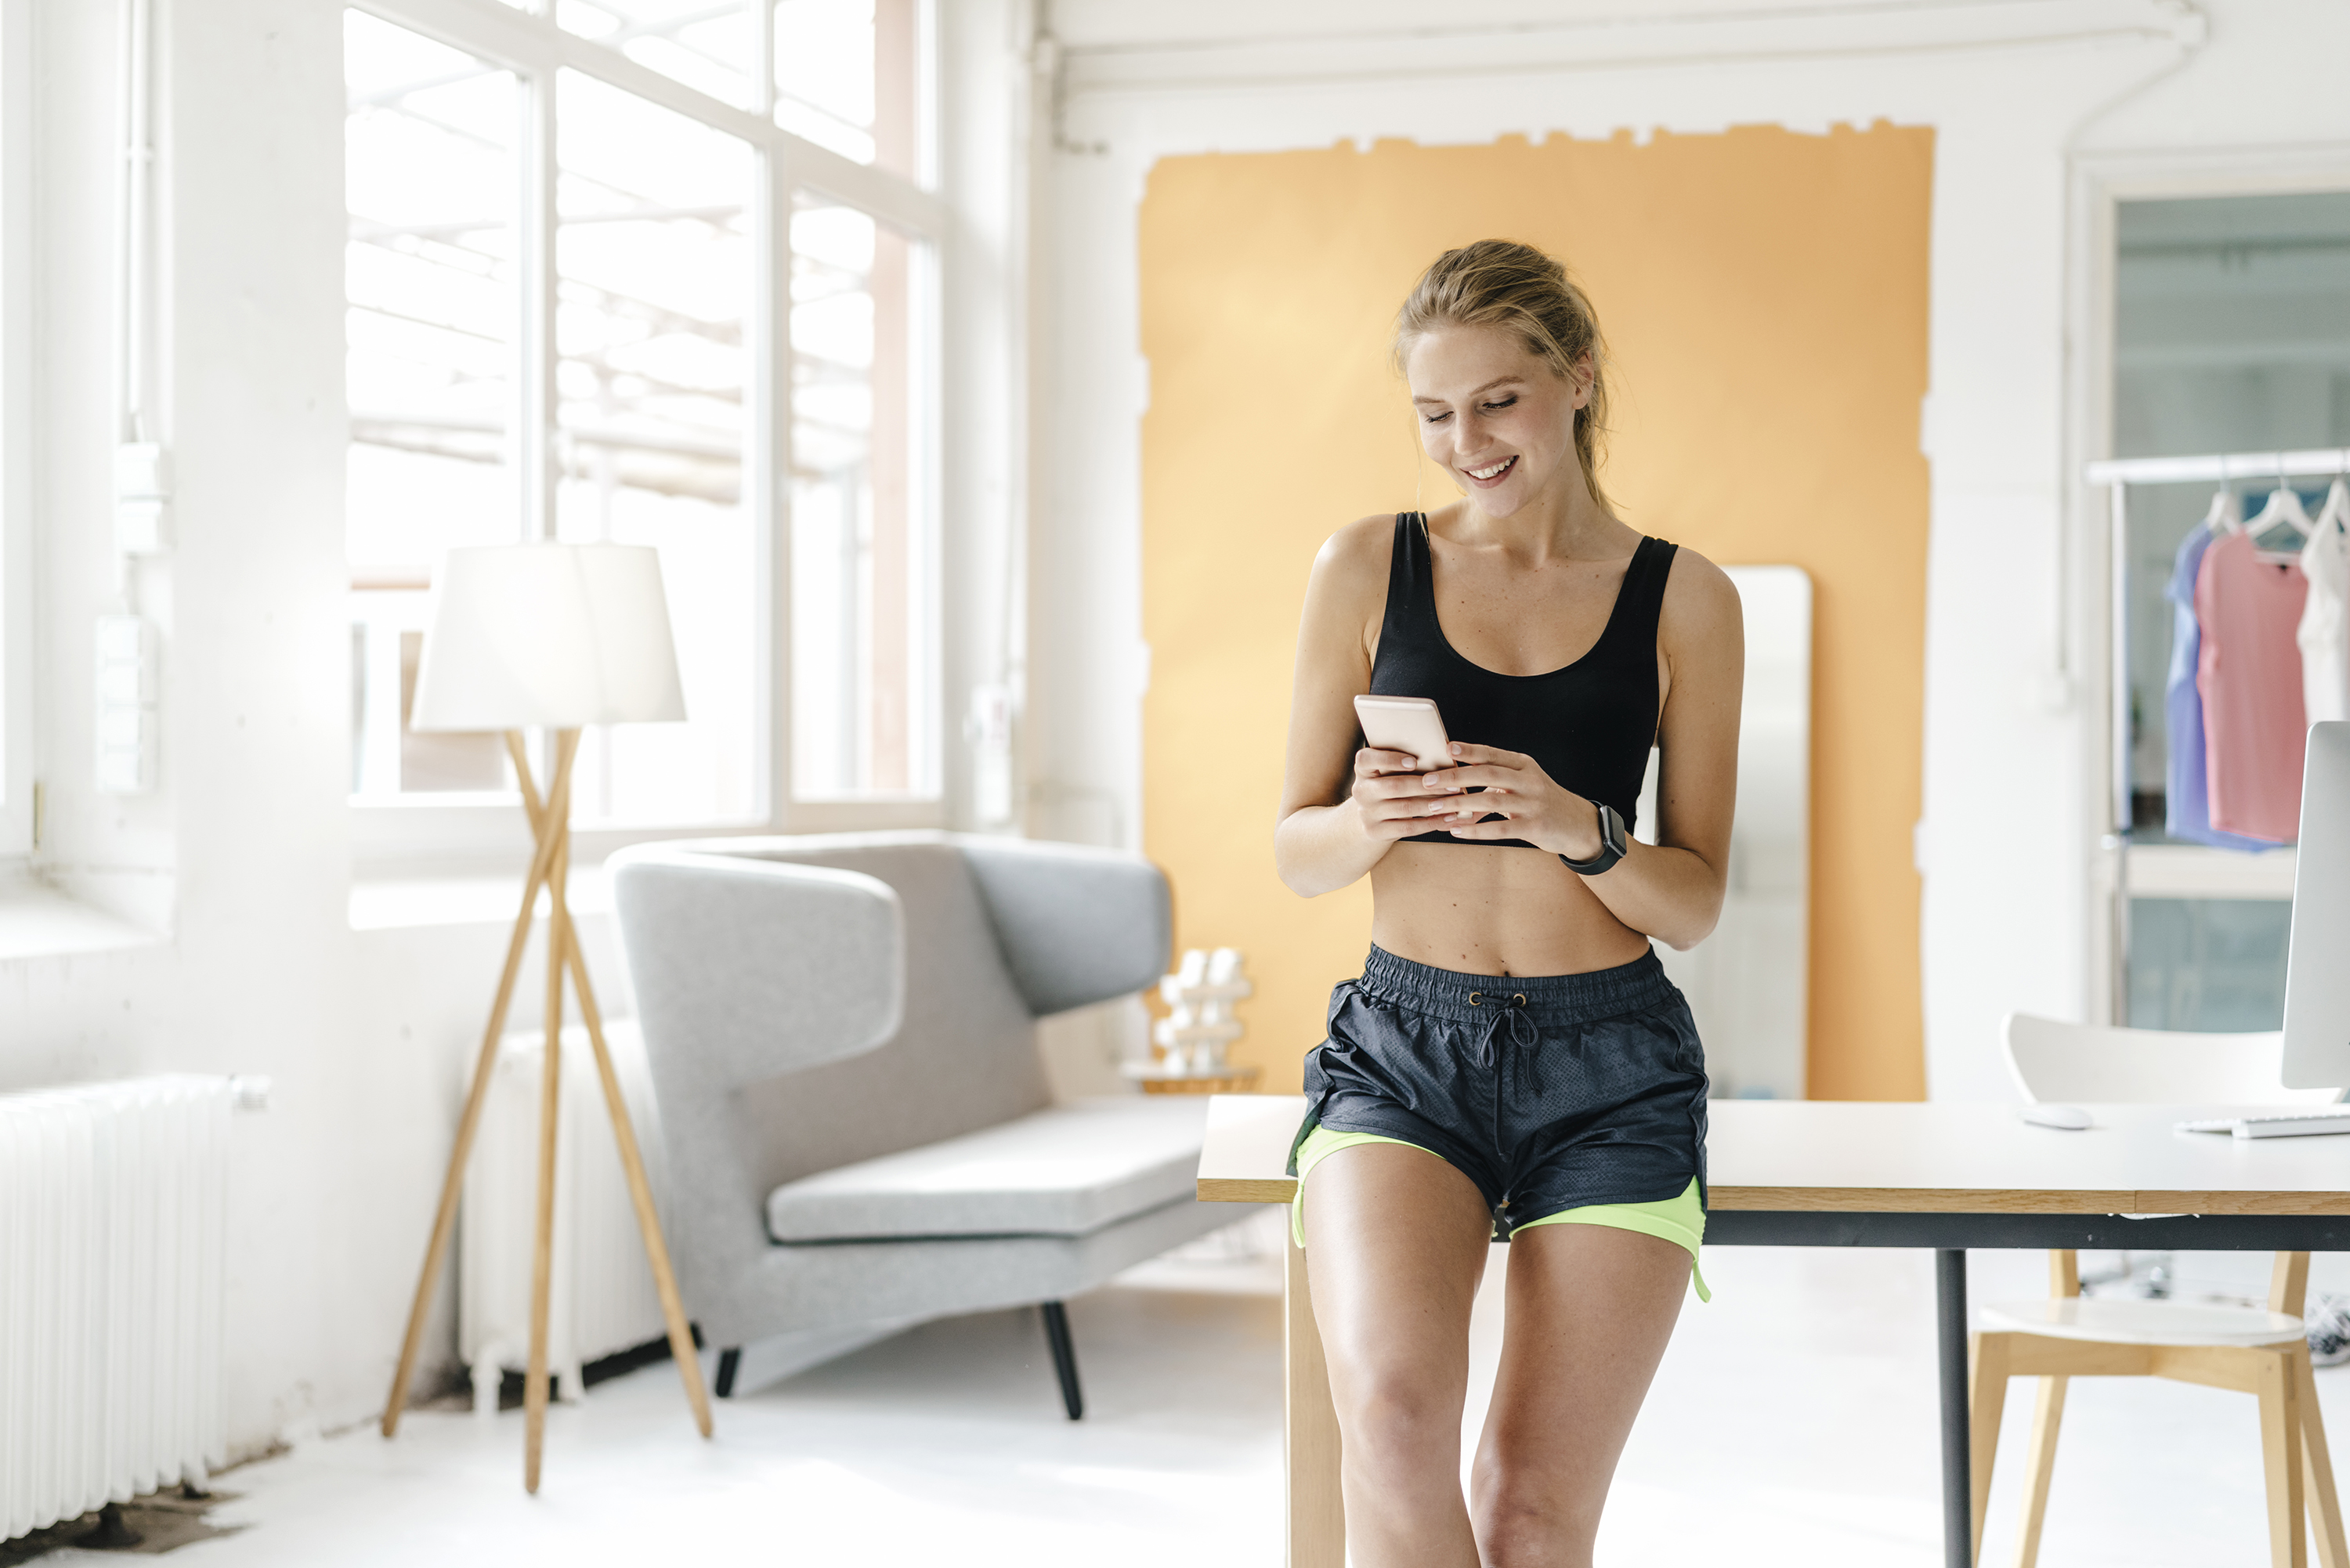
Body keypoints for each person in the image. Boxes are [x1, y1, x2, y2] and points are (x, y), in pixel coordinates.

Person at [1273, 238, 1744, 1568]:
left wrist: (1579, 831)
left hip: (1614, 1065)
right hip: (1402, 1053)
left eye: (1497, 400)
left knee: (1534, 1510)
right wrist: (1367, 816)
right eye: (1433, 412)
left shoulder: (1687, 599)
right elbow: (1297, 849)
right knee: (1394, 1415)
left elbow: (1697, 900)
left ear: (1577, 379)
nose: (1464, 440)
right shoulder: (1365, 564)